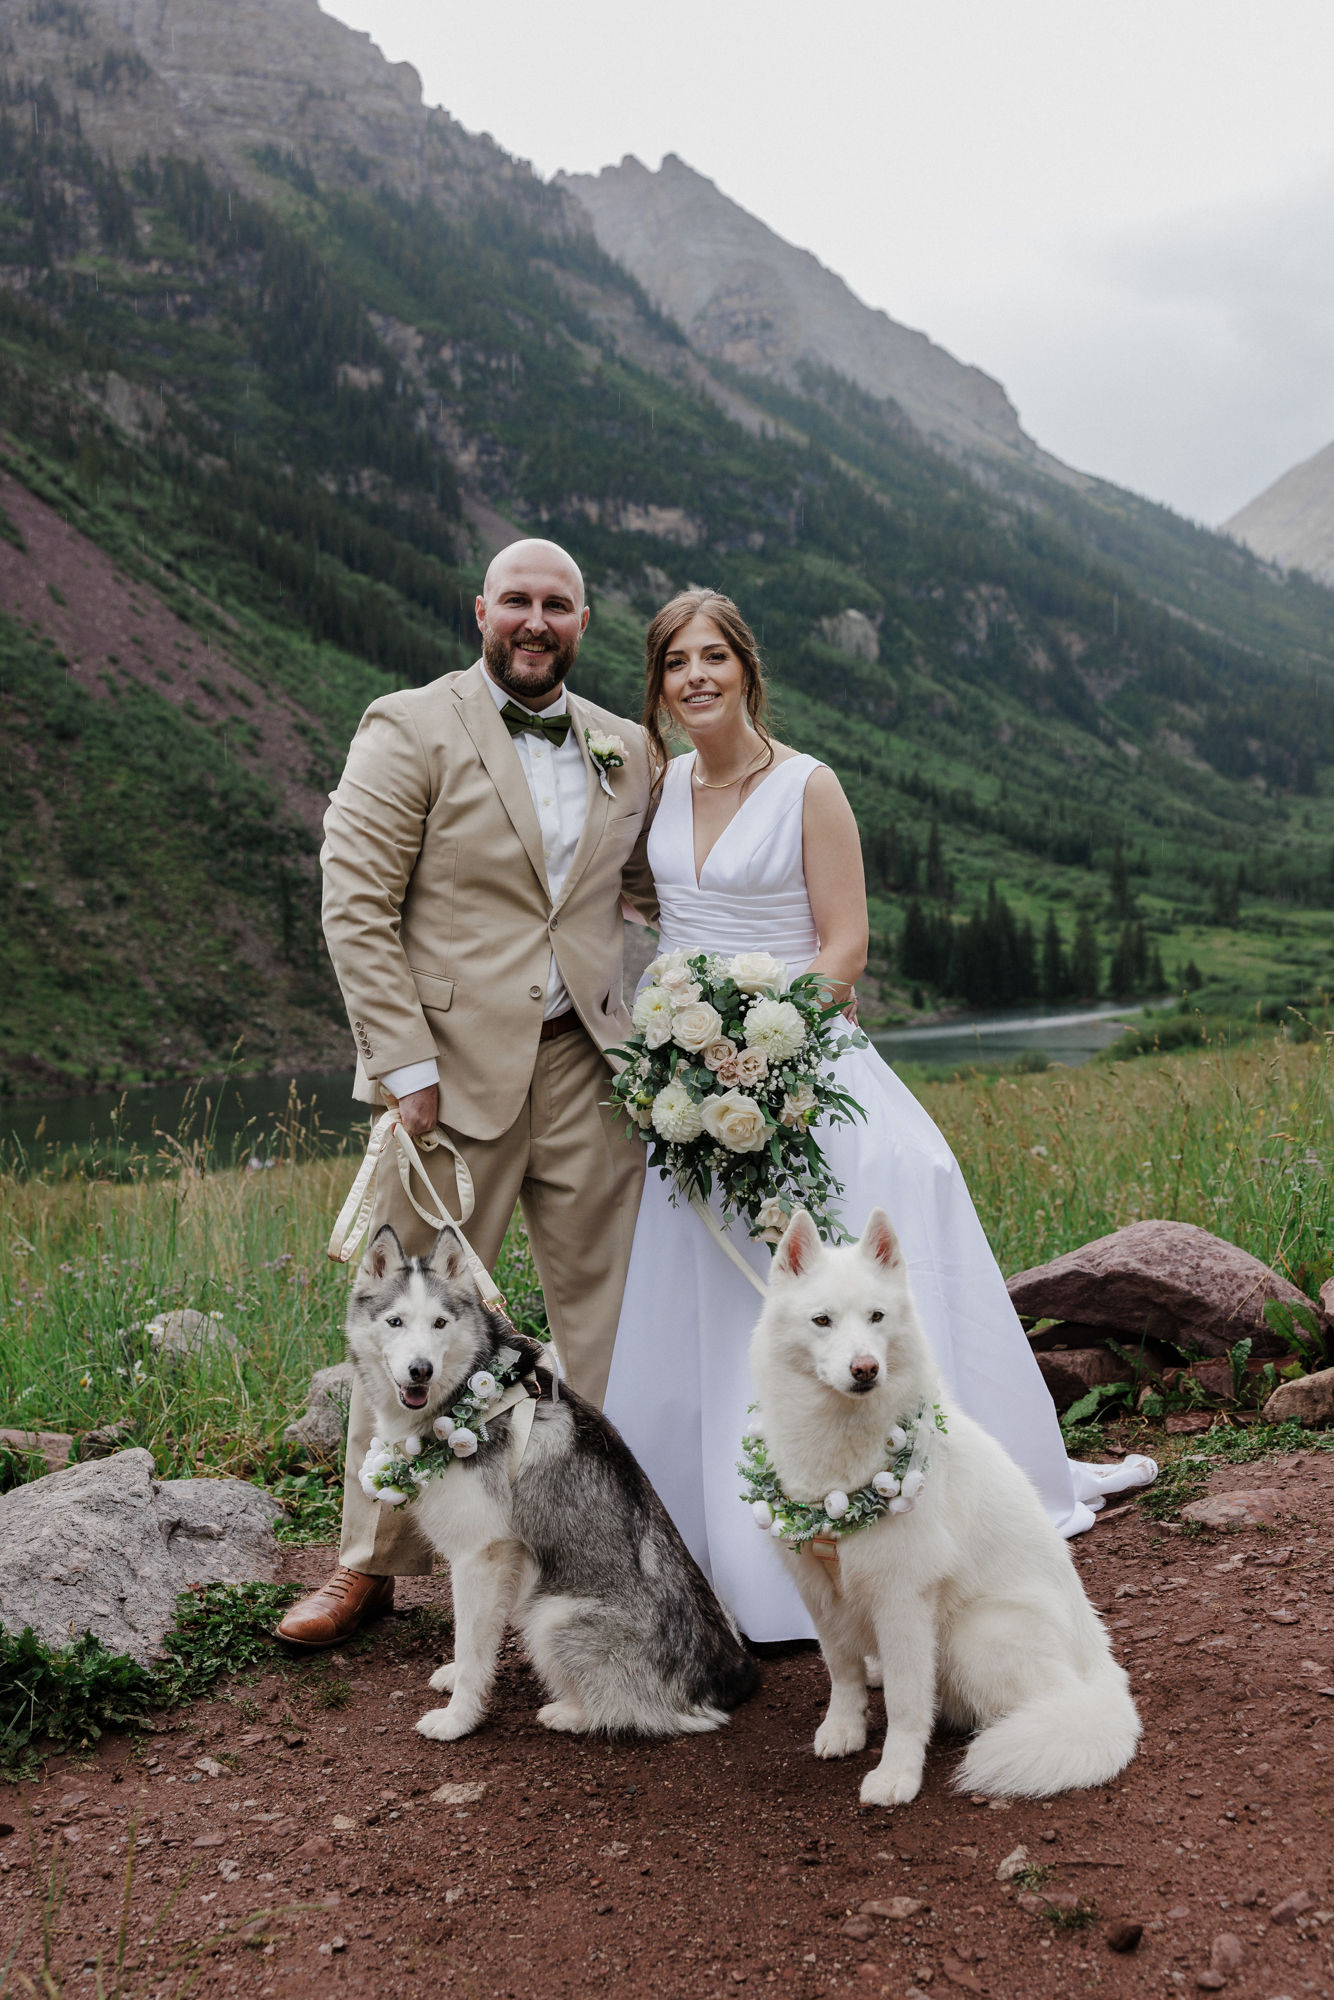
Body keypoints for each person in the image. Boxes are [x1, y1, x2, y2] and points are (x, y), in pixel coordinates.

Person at [603, 589, 1155, 1644]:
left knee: (891, 1211)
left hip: (797, 1060)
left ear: (746, 667)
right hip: (696, 1089)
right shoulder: (660, 788)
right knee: (713, 1305)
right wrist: (685, 1044)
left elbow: (844, 945)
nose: (695, 677)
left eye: (713, 656)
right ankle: (721, 1543)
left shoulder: (809, 785)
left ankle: (920, 1509)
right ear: (659, 685)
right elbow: (649, 917)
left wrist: (766, 1044)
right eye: (675, 663)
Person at [278, 538, 657, 1649]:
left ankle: (596, 1552)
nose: (535, 621)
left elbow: (649, 880)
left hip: (588, 1063)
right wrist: (403, 1064)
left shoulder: (624, 747)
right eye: (518, 602)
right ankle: (369, 1563)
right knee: (417, 1326)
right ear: (480, 609)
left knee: (611, 1322)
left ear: (583, 621)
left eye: (558, 604)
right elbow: (353, 897)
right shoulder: (408, 723)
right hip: (442, 1080)